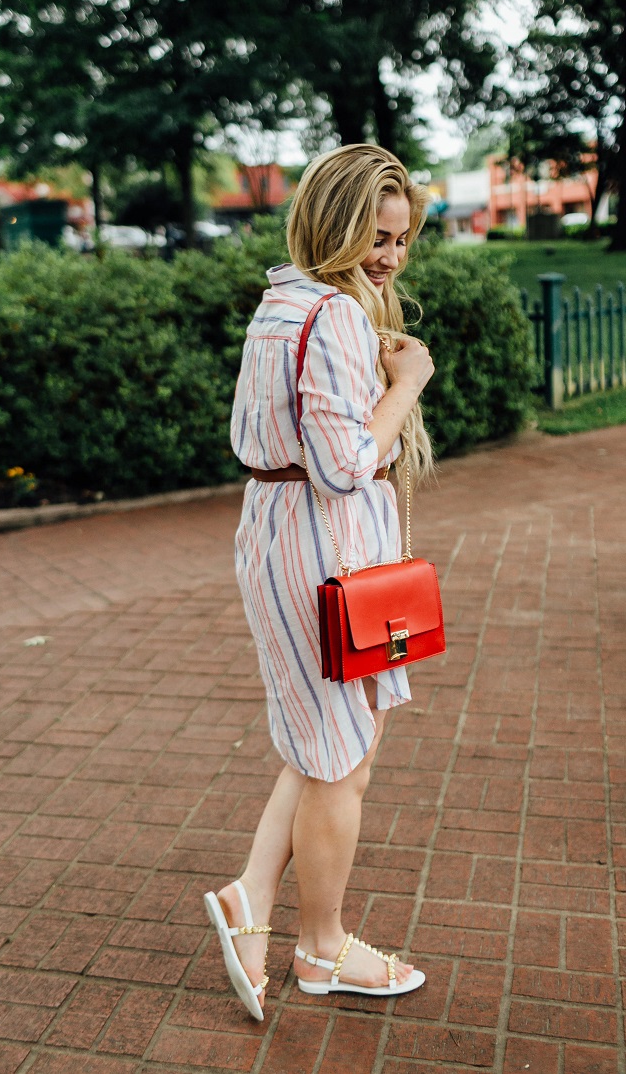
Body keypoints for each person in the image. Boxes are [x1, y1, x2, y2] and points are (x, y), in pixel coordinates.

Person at [204, 144, 436, 1020]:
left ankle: (252, 897)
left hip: (279, 538)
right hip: (324, 549)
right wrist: (406, 382)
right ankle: (324, 948)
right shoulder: (333, 316)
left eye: (402, 239)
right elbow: (343, 466)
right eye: (376, 235)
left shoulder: (282, 302)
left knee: (329, 745)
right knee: (340, 762)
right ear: (332, 220)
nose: (389, 255)